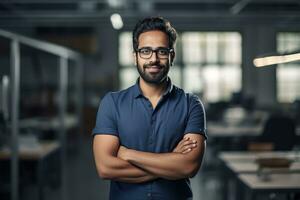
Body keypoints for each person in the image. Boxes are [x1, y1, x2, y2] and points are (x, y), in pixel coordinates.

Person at [92, 16, 207, 200]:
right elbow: (105, 167)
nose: (153, 59)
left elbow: (189, 167)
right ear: (135, 56)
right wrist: (171, 161)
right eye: (145, 51)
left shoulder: (191, 104)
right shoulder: (112, 103)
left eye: (161, 51)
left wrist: (128, 154)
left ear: (172, 56)